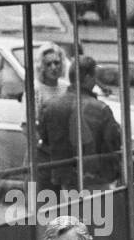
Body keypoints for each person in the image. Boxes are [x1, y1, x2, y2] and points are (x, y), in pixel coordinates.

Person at [38, 56, 122, 192]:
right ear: (88, 78)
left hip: (63, 181)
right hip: (93, 180)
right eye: (94, 76)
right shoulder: (101, 109)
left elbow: (44, 139)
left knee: (68, 213)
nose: (96, 81)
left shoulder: (50, 106)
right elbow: (114, 142)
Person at [33, 43, 69, 118]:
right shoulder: (35, 90)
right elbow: (26, 125)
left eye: (56, 63)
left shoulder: (67, 88)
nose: (53, 67)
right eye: (48, 64)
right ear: (41, 67)